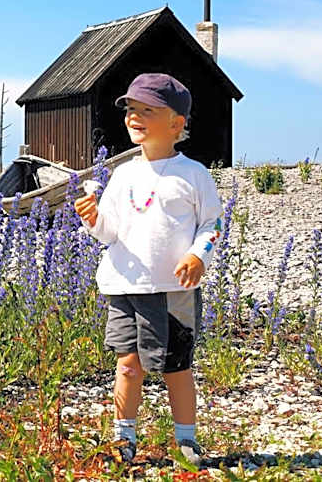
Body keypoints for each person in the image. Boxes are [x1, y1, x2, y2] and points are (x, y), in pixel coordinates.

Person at [73, 72, 223, 468]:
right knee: (127, 364)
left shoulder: (193, 174)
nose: (134, 117)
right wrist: (92, 218)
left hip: (173, 288)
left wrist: (197, 256)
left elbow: (213, 224)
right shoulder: (123, 174)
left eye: (148, 110)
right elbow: (110, 233)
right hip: (123, 283)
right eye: (132, 109)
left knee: (176, 367)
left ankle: (186, 440)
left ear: (177, 124)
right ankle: (124, 437)